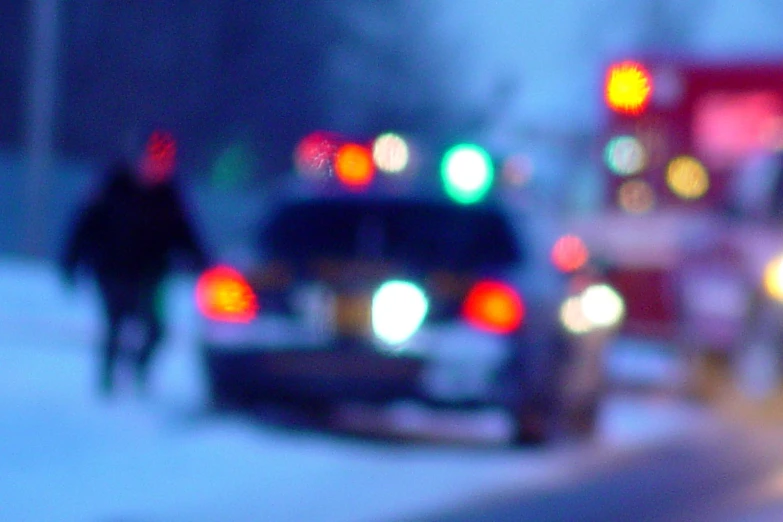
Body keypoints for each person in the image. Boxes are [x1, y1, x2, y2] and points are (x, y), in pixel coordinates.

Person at [60, 151, 210, 397]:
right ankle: (107, 381)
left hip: (150, 274)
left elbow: (185, 234)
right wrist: (70, 264)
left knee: (155, 330)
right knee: (114, 325)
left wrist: (203, 263)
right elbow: (83, 228)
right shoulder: (112, 188)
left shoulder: (168, 196)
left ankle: (138, 372)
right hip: (111, 270)